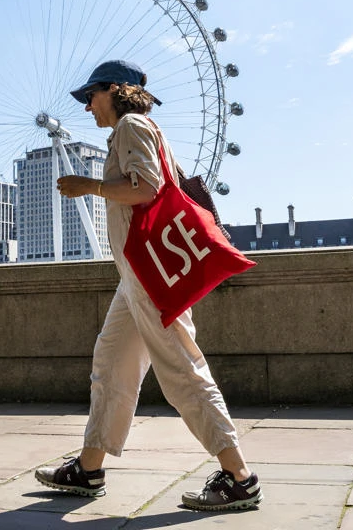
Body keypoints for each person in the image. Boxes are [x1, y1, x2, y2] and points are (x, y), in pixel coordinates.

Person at [34, 60, 263, 511]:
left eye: (90, 96)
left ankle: (240, 477)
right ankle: (89, 467)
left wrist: (90, 186)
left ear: (115, 90)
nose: (86, 106)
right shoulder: (139, 128)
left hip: (148, 274)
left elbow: (146, 188)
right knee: (112, 364)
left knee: (181, 369)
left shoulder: (132, 125)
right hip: (135, 274)